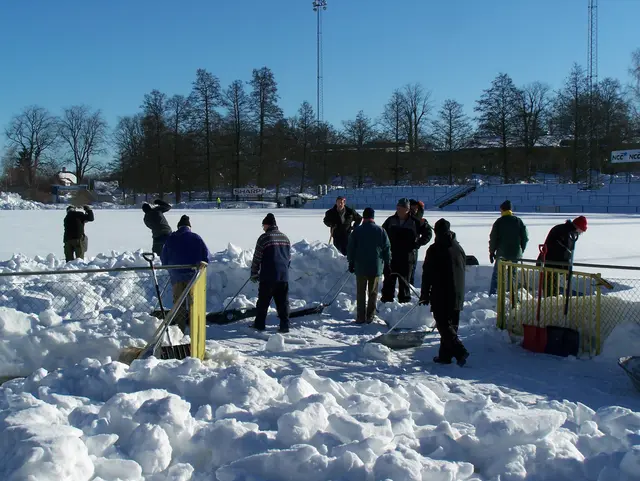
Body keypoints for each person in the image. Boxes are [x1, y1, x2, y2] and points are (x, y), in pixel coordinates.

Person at [420, 218, 469, 366]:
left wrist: (424, 294)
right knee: (452, 325)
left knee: (443, 325)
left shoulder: (434, 249)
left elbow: (427, 274)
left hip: (441, 293)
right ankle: (445, 356)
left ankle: (460, 350)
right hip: (458, 293)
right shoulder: (458, 248)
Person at [160, 215, 210, 333]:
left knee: (178, 303)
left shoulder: (171, 239)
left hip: (176, 276)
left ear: (178, 227)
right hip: (193, 276)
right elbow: (206, 256)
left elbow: (164, 258)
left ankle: (180, 329)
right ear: (189, 227)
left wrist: (171, 269)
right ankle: (195, 328)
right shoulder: (196, 238)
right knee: (194, 302)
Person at [381, 198, 433, 303]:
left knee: (404, 283)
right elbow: (382, 234)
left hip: (407, 257)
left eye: (403, 208)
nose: (400, 210)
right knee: (388, 281)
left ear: (408, 209)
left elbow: (428, 233)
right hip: (392, 256)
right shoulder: (391, 220)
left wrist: (418, 244)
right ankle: (386, 302)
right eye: (398, 208)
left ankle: (404, 303)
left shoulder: (415, 222)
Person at [347, 207, 391, 324]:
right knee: (373, 292)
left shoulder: (357, 231)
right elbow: (387, 248)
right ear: (373, 217)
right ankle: (370, 316)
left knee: (361, 292)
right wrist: (387, 262)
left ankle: (360, 317)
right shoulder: (381, 231)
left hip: (360, 267)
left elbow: (351, 248)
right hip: (376, 267)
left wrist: (351, 262)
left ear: (364, 217)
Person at [250, 213, 292, 333]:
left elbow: (257, 257)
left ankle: (259, 324)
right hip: (283, 276)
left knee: (263, 302)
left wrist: (254, 272)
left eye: (263, 226)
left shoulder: (264, 237)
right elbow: (288, 258)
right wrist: (284, 270)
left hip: (268, 276)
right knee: (283, 302)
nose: (263, 228)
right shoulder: (285, 238)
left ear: (267, 225)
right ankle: (285, 325)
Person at [538, 216, 587, 296]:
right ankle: (550, 304)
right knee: (550, 287)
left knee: (551, 286)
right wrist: (567, 268)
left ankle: (551, 301)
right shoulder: (566, 233)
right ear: (578, 226)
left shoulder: (567, 231)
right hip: (551, 262)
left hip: (551, 262)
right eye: (581, 230)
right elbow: (564, 252)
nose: (581, 233)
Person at [488, 200, 529, 295]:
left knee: (497, 275)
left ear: (502, 209)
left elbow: (493, 238)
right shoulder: (518, 221)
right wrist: (521, 249)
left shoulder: (499, 222)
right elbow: (525, 237)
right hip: (515, 253)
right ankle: (512, 294)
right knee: (512, 275)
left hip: (502, 253)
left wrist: (491, 252)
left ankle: (493, 294)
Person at [408, 199, 430, 285]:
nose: (413, 210)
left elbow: (427, 234)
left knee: (411, 271)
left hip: (412, 250)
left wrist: (419, 243)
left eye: (415, 208)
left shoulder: (419, 220)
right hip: (399, 250)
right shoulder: (400, 218)